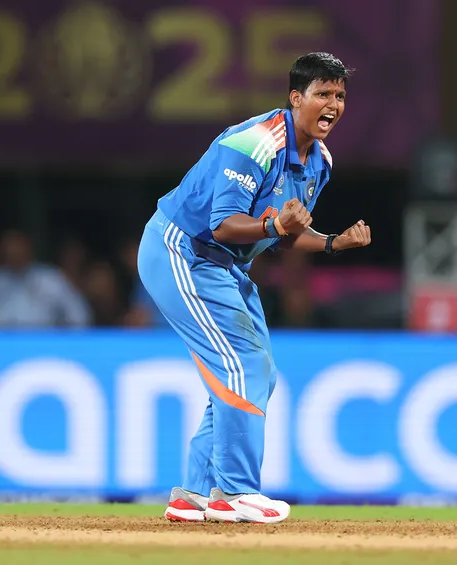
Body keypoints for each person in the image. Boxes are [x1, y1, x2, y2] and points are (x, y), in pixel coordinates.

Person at [136, 52, 371, 524]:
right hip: (182, 250)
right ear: (295, 97)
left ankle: (194, 495)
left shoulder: (319, 161)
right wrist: (275, 225)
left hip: (224, 265)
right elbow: (224, 225)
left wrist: (331, 242)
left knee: (255, 374)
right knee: (242, 364)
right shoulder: (256, 143)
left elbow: (284, 234)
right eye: (323, 94)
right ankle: (235, 493)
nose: (333, 104)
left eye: (340, 96)